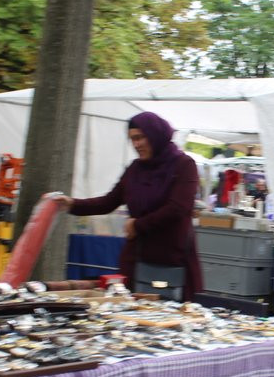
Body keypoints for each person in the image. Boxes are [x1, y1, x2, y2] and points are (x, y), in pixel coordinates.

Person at [57, 112, 204, 300]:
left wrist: (137, 225)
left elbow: (178, 208)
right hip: (137, 258)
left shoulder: (184, 165)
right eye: (132, 139)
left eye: (140, 137)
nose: (136, 144)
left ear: (156, 134)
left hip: (172, 257)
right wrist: (72, 204)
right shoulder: (135, 169)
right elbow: (108, 202)